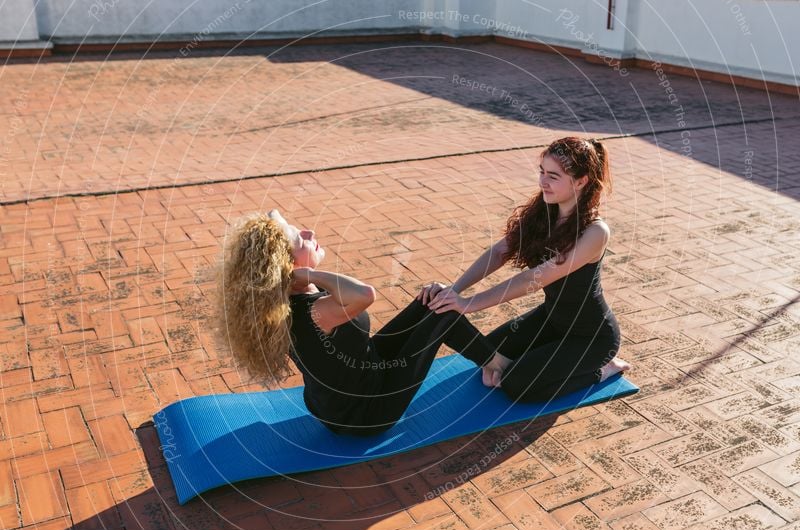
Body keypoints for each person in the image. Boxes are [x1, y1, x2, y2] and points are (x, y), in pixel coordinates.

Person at [212, 209, 508, 437]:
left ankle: (488, 361)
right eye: (300, 237)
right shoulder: (315, 311)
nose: (309, 231)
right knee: (445, 311)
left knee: (433, 300)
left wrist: (304, 276)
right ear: (289, 266)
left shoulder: (283, 301)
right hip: (366, 414)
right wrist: (312, 275)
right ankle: (497, 365)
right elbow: (365, 294)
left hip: (349, 390)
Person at [420, 136, 631, 403]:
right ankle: (539, 361)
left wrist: (468, 304)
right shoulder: (543, 214)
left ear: (581, 181)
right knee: (486, 355)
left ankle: (602, 370)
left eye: (553, 176)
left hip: (590, 337)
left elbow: (536, 277)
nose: (543, 182)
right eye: (542, 172)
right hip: (552, 320)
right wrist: (455, 290)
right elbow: (499, 252)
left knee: (517, 385)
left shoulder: (595, 232)